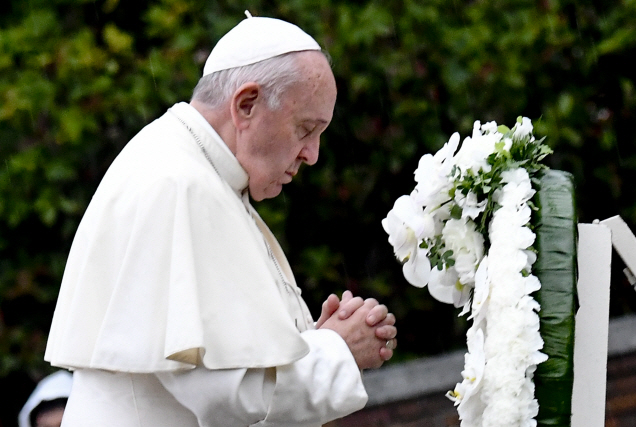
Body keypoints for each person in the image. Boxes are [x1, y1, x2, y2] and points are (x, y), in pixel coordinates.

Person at [44, 12, 397, 427]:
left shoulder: (196, 171)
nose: (312, 154)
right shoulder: (180, 184)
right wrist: (337, 350)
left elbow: (225, 361)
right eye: (305, 129)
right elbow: (223, 394)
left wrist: (306, 343)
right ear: (246, 104)